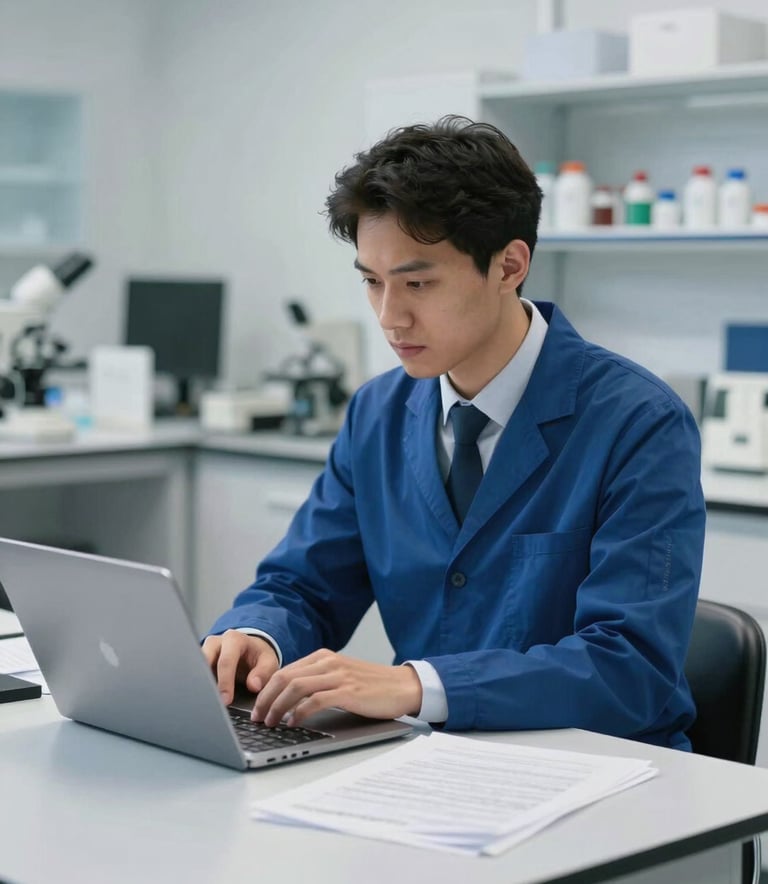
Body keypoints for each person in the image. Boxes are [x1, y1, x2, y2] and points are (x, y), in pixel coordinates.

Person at [203, 116, 705, 749]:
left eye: (418, 283)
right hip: (432, 768)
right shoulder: (376, 414)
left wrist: (416, 686)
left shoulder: (638, 422)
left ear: (509, 265)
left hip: (603, 772)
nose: (390, 316)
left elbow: (630, 669)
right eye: (371, 281)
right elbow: (302, 584)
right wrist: (255, 635)